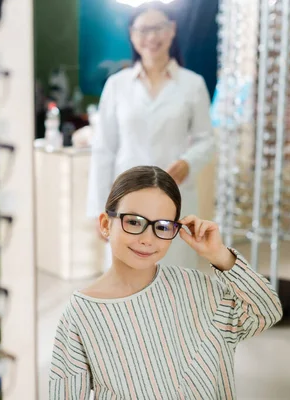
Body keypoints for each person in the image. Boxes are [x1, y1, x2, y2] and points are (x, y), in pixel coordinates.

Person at [51, 166, 283, 399]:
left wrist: (219, 255)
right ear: (105, 224)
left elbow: (266, 310)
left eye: (162, 226)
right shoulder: (82, 312)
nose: (147, 239)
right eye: (133, 222)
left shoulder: (198, 289)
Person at [86, 2, 216, 270]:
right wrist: (98, 209)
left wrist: (189, 162)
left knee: (175, 274)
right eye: (143, 30)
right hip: (126, 200)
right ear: (132, 36)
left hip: (175, 196)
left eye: (159, 28)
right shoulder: (117, 85)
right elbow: (103, 151)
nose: (152, 37)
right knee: (129, 278)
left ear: (172, 31)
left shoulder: (193, 84)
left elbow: (206, 139)